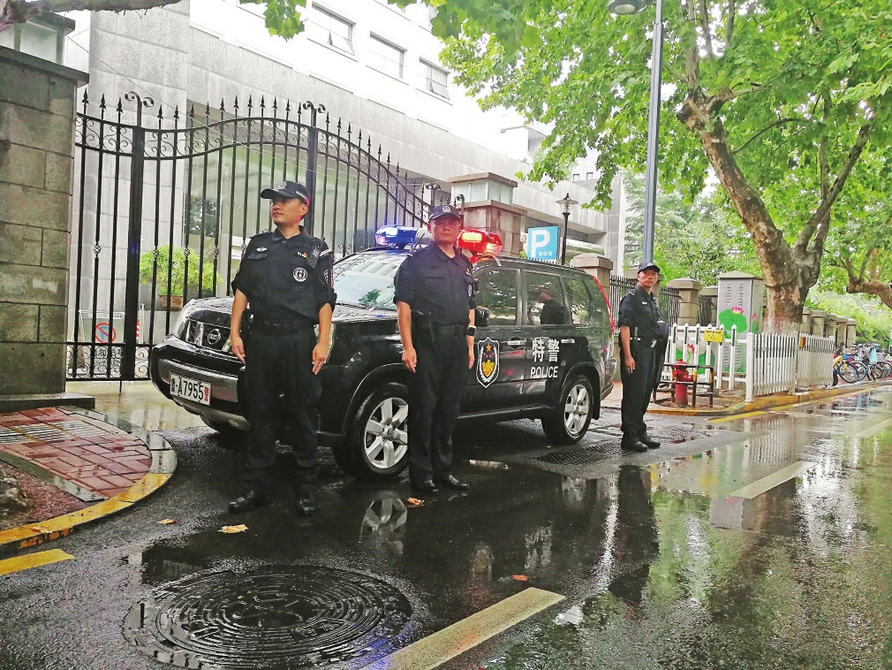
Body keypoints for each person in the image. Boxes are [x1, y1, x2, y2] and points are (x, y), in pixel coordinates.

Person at [227, 180, 336, 515]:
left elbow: (324, 299)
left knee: (303, 414)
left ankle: (306, 490)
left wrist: (323, 340)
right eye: (273, 200)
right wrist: (235, 334)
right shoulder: (258, 245)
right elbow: (242, 292)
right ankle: (257, 488)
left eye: (284, 200)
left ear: (303, 208)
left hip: (298, 340)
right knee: (260, 414)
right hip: (261, 339)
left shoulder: (318, 249)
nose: (276, 205)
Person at [394, 204, 476, 496]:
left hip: (456, 346)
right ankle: (422, 475)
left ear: (458, 228)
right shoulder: (416, 262)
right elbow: (403, 306)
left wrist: (470, 342)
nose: (446, 227)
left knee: (448, 411)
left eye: (452, 222)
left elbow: (470, 307)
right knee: (424, 411)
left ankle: (443, 470)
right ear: (431, 227)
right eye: (440, 222)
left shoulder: (464, 265)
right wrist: (408, 346)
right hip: (427, 345)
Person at [617, 261, 663, 452]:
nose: (650, 277)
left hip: (649, 351)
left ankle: (640, 431)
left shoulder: (651, 299)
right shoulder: (631, 298)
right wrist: (628, 355)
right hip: (636, 351)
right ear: (638, 276)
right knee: (634, 394)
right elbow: (624, 327)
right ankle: (629, 436)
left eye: (653, 274)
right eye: (646, 273)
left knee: (644, 393)